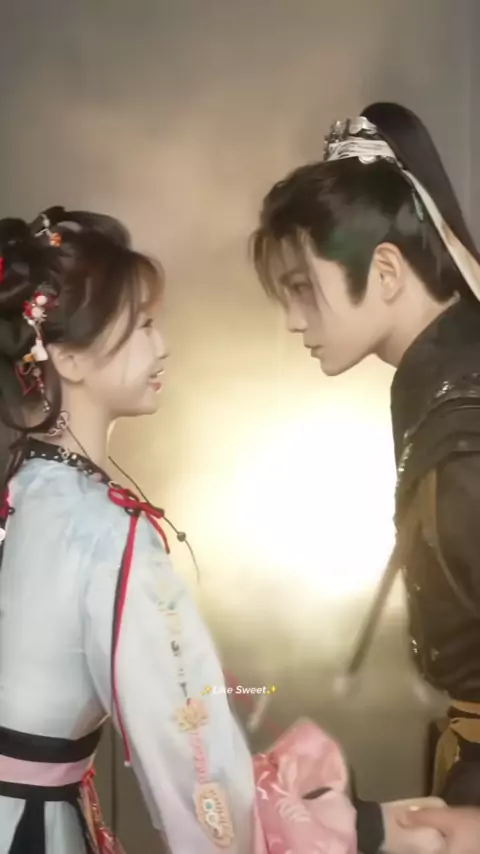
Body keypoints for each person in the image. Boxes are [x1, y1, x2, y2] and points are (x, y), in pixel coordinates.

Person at [252, 103, 480, 841]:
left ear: (384, 270)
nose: (295, 319)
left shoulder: (466, 434)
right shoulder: (441, 387)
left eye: (303, 287)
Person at [0, 207, 256, 853]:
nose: (162, 345)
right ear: (66, 356)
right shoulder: (106, 532)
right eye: (142, 325)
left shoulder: (23, 489)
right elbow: (190, 744)